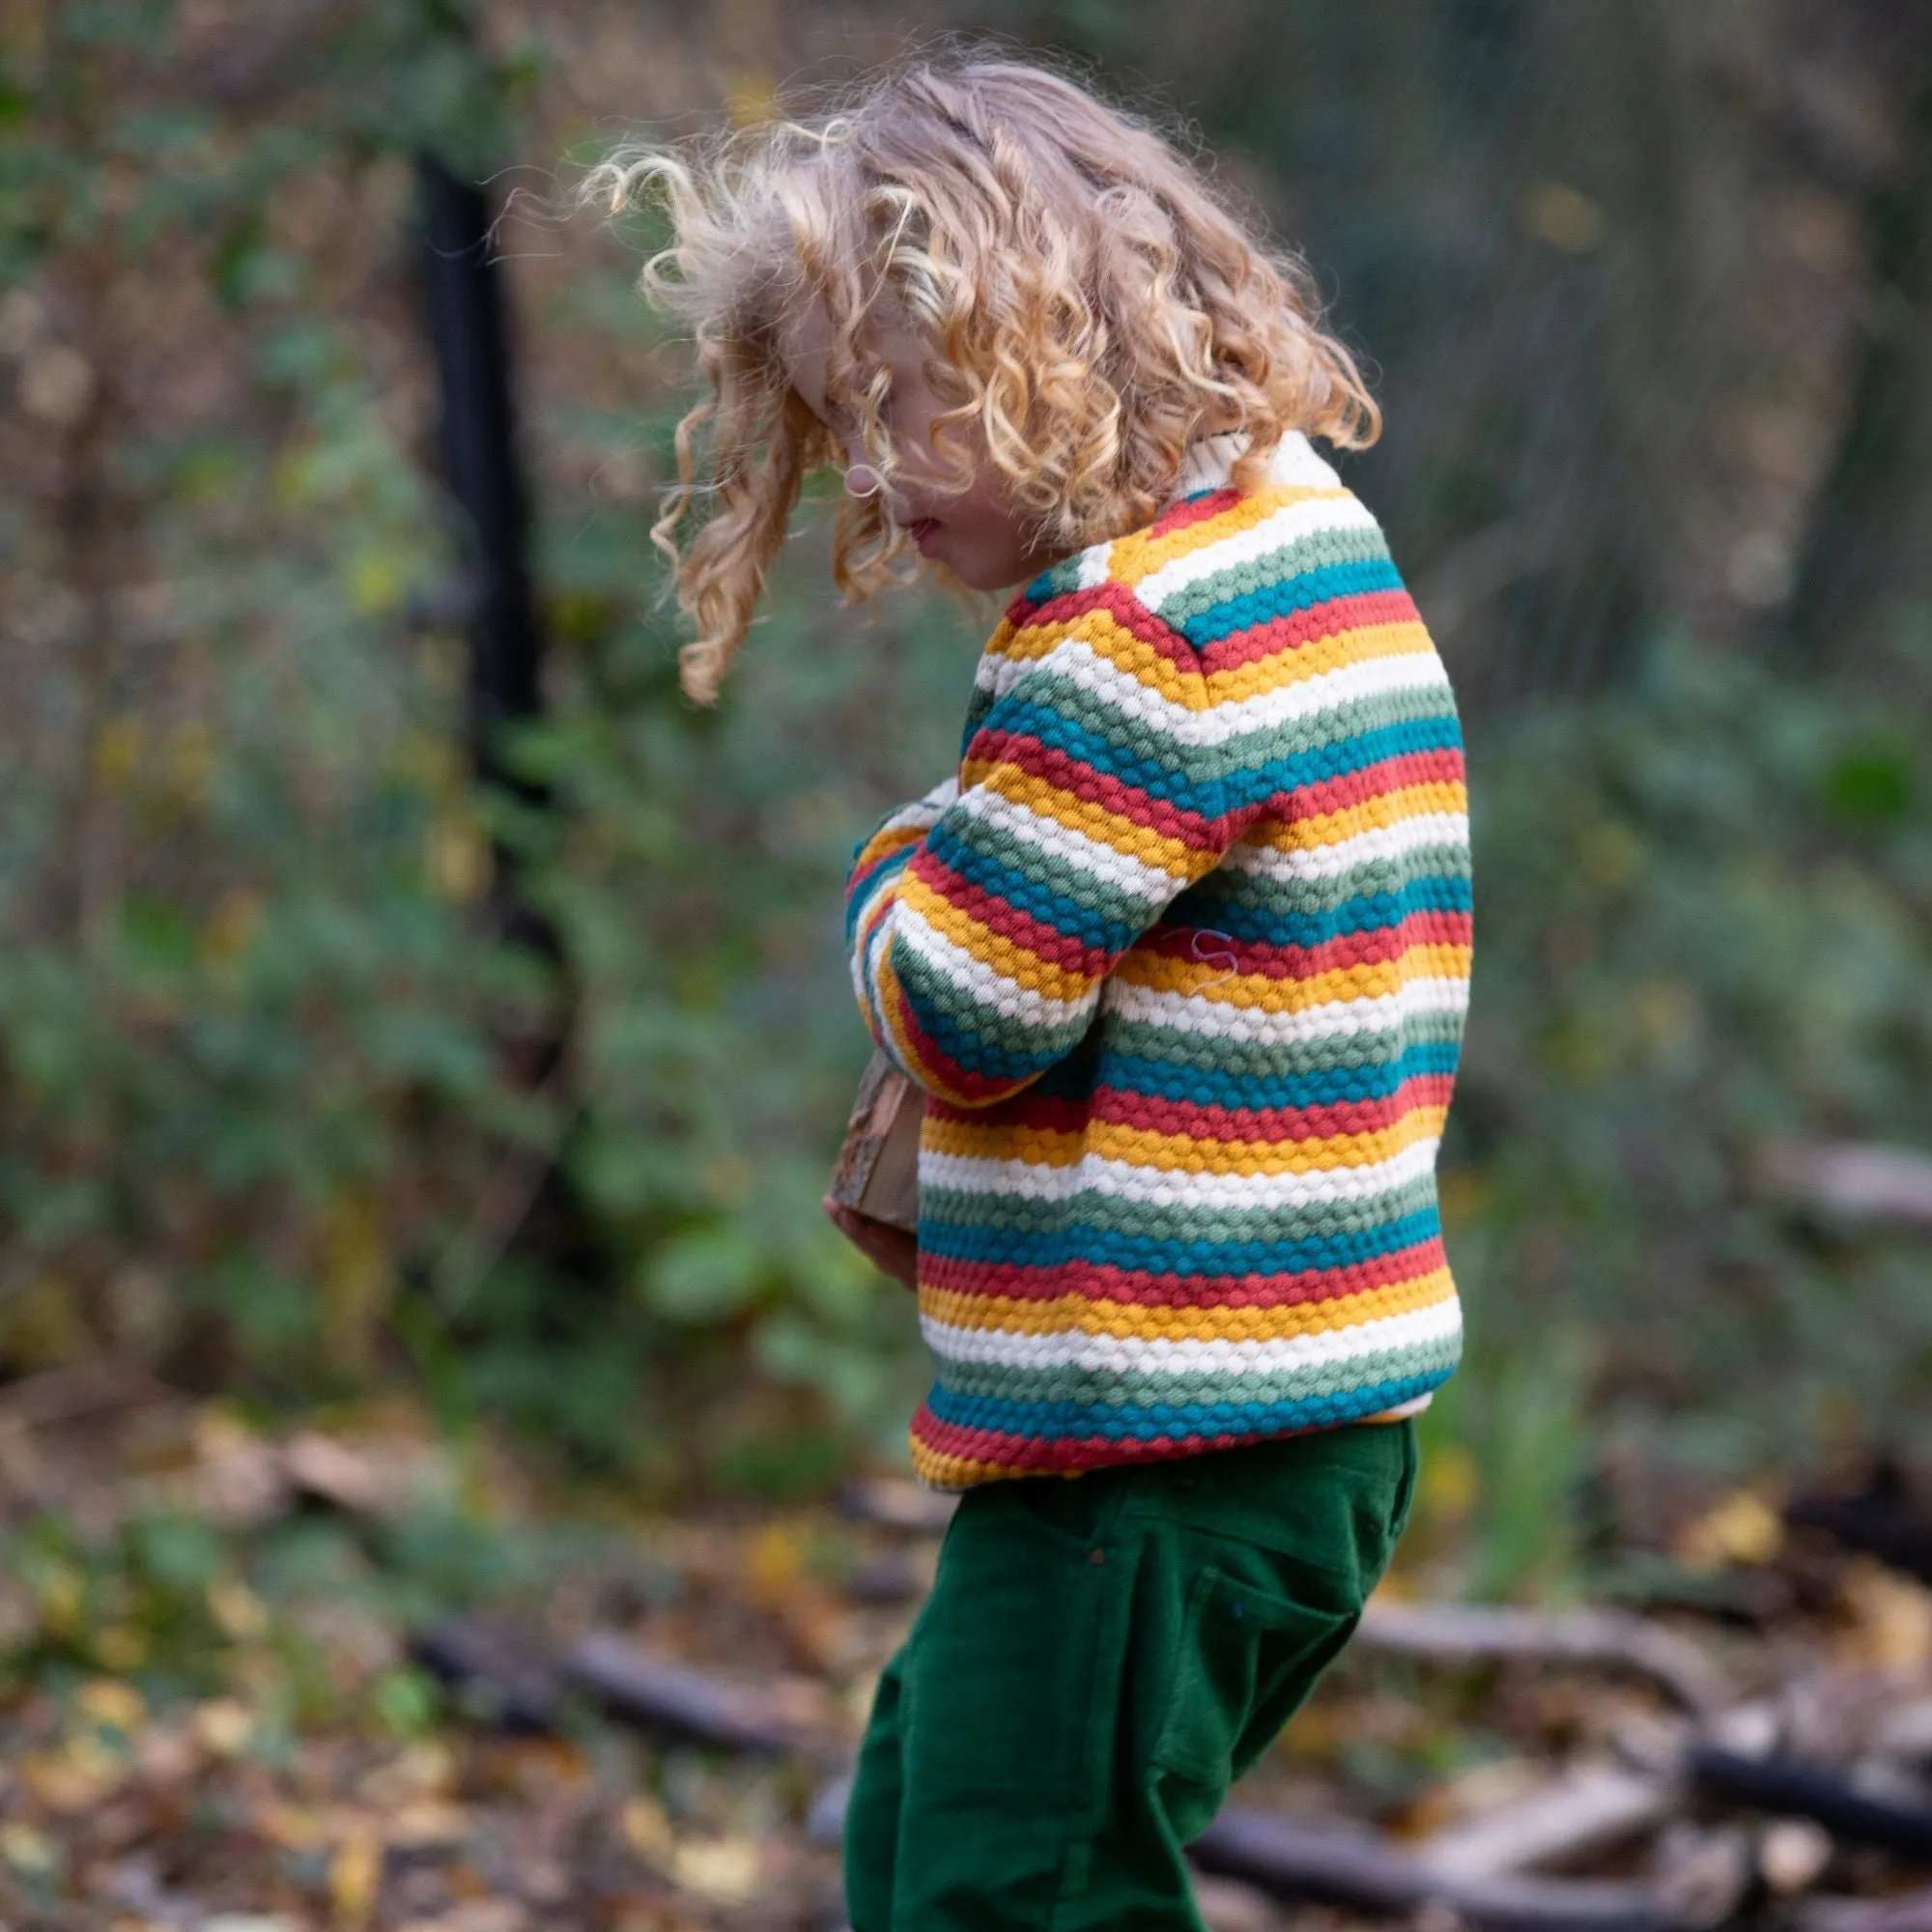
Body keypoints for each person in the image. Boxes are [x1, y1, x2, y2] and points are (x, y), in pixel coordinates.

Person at [592, 51, 1471, 1932]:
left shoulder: (1129, 644)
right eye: (848, 419)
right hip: (1280, 1415)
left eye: (918, 404)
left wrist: (892, 862)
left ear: (1054, 341)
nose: (883, 467)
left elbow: (957, 1011)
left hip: (1162, 1436)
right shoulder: (1291, 535)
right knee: (926, 1820)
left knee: (1015, 1887)